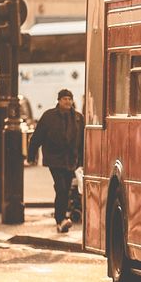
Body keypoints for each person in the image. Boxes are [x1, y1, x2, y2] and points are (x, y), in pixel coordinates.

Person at [30, 89, 85, 233]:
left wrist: (83, 160)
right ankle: (60, 219)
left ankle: (61, 219)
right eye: (64, 99)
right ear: (59, 101)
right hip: (54, 158)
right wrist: (31, 155)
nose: (67, 101)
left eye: (69, 99)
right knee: (61, 188)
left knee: (65, 189)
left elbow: (83, 141)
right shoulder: (49, 117)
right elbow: (37, 137)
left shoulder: (79, 118)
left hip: (71, 159)